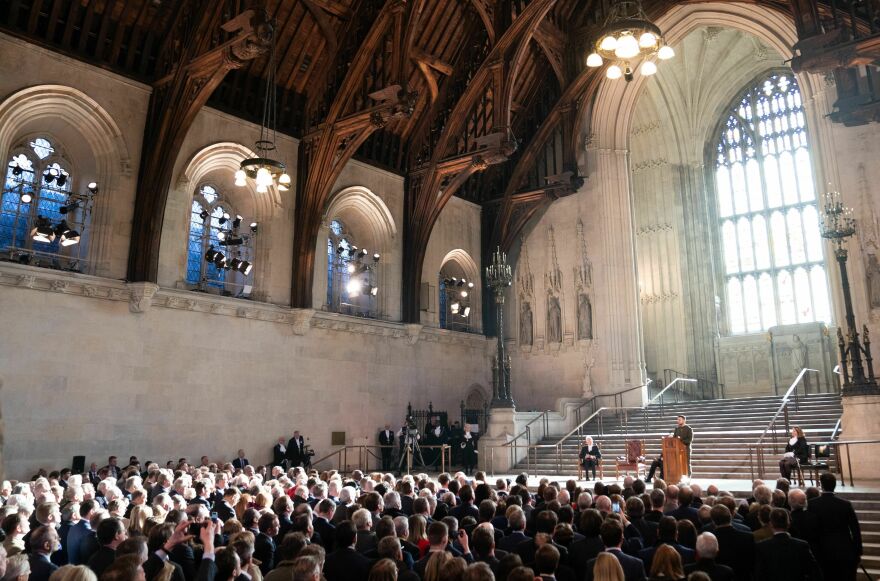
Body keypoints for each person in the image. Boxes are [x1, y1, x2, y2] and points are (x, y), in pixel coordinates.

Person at [809, 472, 862, 581]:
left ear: (821, 485)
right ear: (835, 485)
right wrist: (858, 552)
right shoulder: (845, 504)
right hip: (845, 549)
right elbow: (855, 530)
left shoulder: (812, 504)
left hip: (822, 551)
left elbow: (812, 529)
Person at [754, 508, 821, 581]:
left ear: (771, 524)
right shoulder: (802, 545)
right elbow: (814, 572)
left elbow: (759, 574)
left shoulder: (762, 547)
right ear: (788, 524)